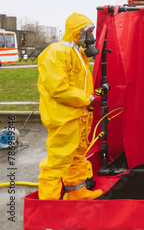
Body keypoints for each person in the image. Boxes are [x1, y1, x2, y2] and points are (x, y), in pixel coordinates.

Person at [37, 13, 103, 200]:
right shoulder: (57, 52)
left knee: (77, 156)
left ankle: (77, 193)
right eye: (87, 32)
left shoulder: (79, 54)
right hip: (63, 116)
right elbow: (57, 89)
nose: (91, 36)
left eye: (92, 31)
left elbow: (78, 83)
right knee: (58, 160)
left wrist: (90, 100)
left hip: (79, 115)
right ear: (76, 32)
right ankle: (47, 204)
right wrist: (88, 99)